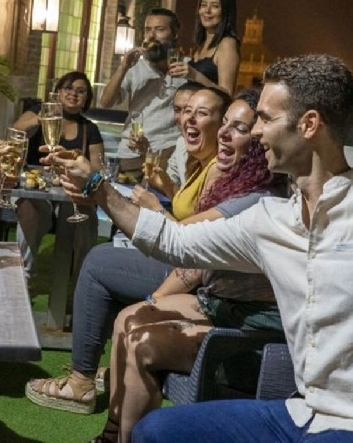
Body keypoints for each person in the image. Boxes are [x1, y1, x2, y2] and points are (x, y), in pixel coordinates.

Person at [56, 54, 353, 442]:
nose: (257, 131)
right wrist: (99, 188)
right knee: (154, 432)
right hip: (306, 413)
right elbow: (174, 241)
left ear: (309, 124)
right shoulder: (269, 220)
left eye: (265, 117)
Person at [25, 86, 231, 414]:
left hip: (197, 276)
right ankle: (112, 365)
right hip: (183, 261)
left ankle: (81, 381)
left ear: (224, 124)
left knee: (98, 261)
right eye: (184, 110)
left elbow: (195, 245)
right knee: (107, 255)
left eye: (201, 113)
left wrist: (157, 297)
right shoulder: (200, 163)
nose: (188, 118)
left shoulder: (220, 169)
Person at [97, 88, 285, 442]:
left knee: (142, 340)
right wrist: (153, 301)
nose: (225, 134)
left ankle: (125, 436)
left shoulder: (256, 200)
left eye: (240, 128)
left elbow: (180, 241)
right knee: (128, 317)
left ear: (261, 140)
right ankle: (113, 431)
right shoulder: (226, 182)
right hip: (220, 302)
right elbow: (196, 264)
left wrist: (98, 188)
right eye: (225, 124)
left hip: (251, 321)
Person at [13, 71, 104, 277]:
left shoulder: (89, 129)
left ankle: (83, 277)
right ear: (58, 92)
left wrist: (82, 163)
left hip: (70, 188)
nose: (73, 94)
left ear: (86, 99)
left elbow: (98, 169)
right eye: (68, 88)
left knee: (86, 216)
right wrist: (41, 118)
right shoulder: (38, 112)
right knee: (30, 209)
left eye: (81, 91)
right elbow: (16, 131)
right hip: (36, 187)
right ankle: (22, 273)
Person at [99, 8, 186, 179]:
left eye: (160, 30)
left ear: (174, 34)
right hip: (132, 154)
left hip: (169, 155)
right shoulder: (135, 67)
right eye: (148, 30)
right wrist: (123, 67)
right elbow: (106, 102)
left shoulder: (187, 69)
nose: (151, 36)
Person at [168, 0, 240, 94]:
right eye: (203, 5)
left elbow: (227, 93)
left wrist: (195, 75)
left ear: (226, 12)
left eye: (215, 6)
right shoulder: (202, 43)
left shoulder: (227, 44)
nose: (207, 10)